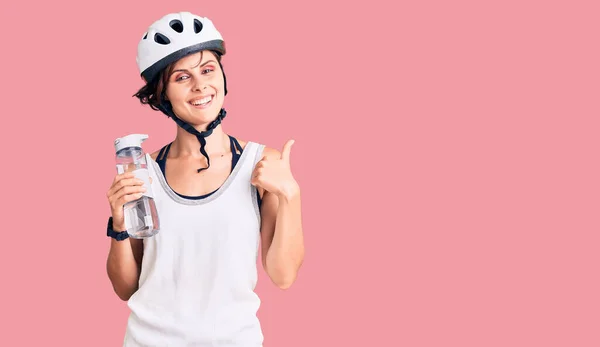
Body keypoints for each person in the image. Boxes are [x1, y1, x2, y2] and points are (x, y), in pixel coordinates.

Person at [104, 11, 305, 346]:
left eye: (208, 70)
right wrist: (118, 222)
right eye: (182, 77)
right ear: (162, 94)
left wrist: (290, 195)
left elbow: (283, 276)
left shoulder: (263, 164)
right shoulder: (143, 171)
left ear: (223, 76)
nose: (200, 85)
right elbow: (126, 288)